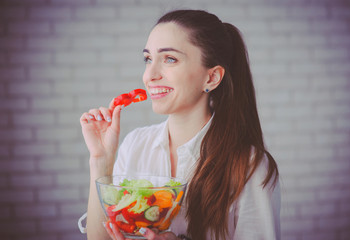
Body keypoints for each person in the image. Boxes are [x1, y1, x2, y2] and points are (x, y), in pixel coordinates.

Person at [79, 9, 280, 240]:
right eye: (148, 59)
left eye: (170, 59)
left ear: (211, 78)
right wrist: (101, 161)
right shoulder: (134, 144)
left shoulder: (250, 166)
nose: (149, 75)